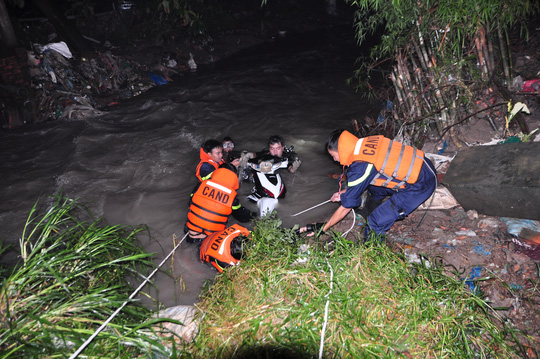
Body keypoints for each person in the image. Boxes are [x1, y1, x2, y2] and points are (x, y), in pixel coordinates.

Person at [302, 130, 437, 239]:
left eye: (333, 155)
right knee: (373, 187)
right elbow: (367, 176)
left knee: (374, 223)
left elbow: (345, 207)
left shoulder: (360, 165)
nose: (334, 160)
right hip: (424, 164)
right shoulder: (362, 143)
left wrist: (323, 228)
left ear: (341, 151)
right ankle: (370, 211)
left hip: (420, 185)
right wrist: (345, 193)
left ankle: (372, 256)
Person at [186, 164, 255, 242]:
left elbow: (190, 204)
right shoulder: (231, 197)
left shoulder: (201, 185)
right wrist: (254, 215)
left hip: (191, 234)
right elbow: (242, 216)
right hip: (211, 239)